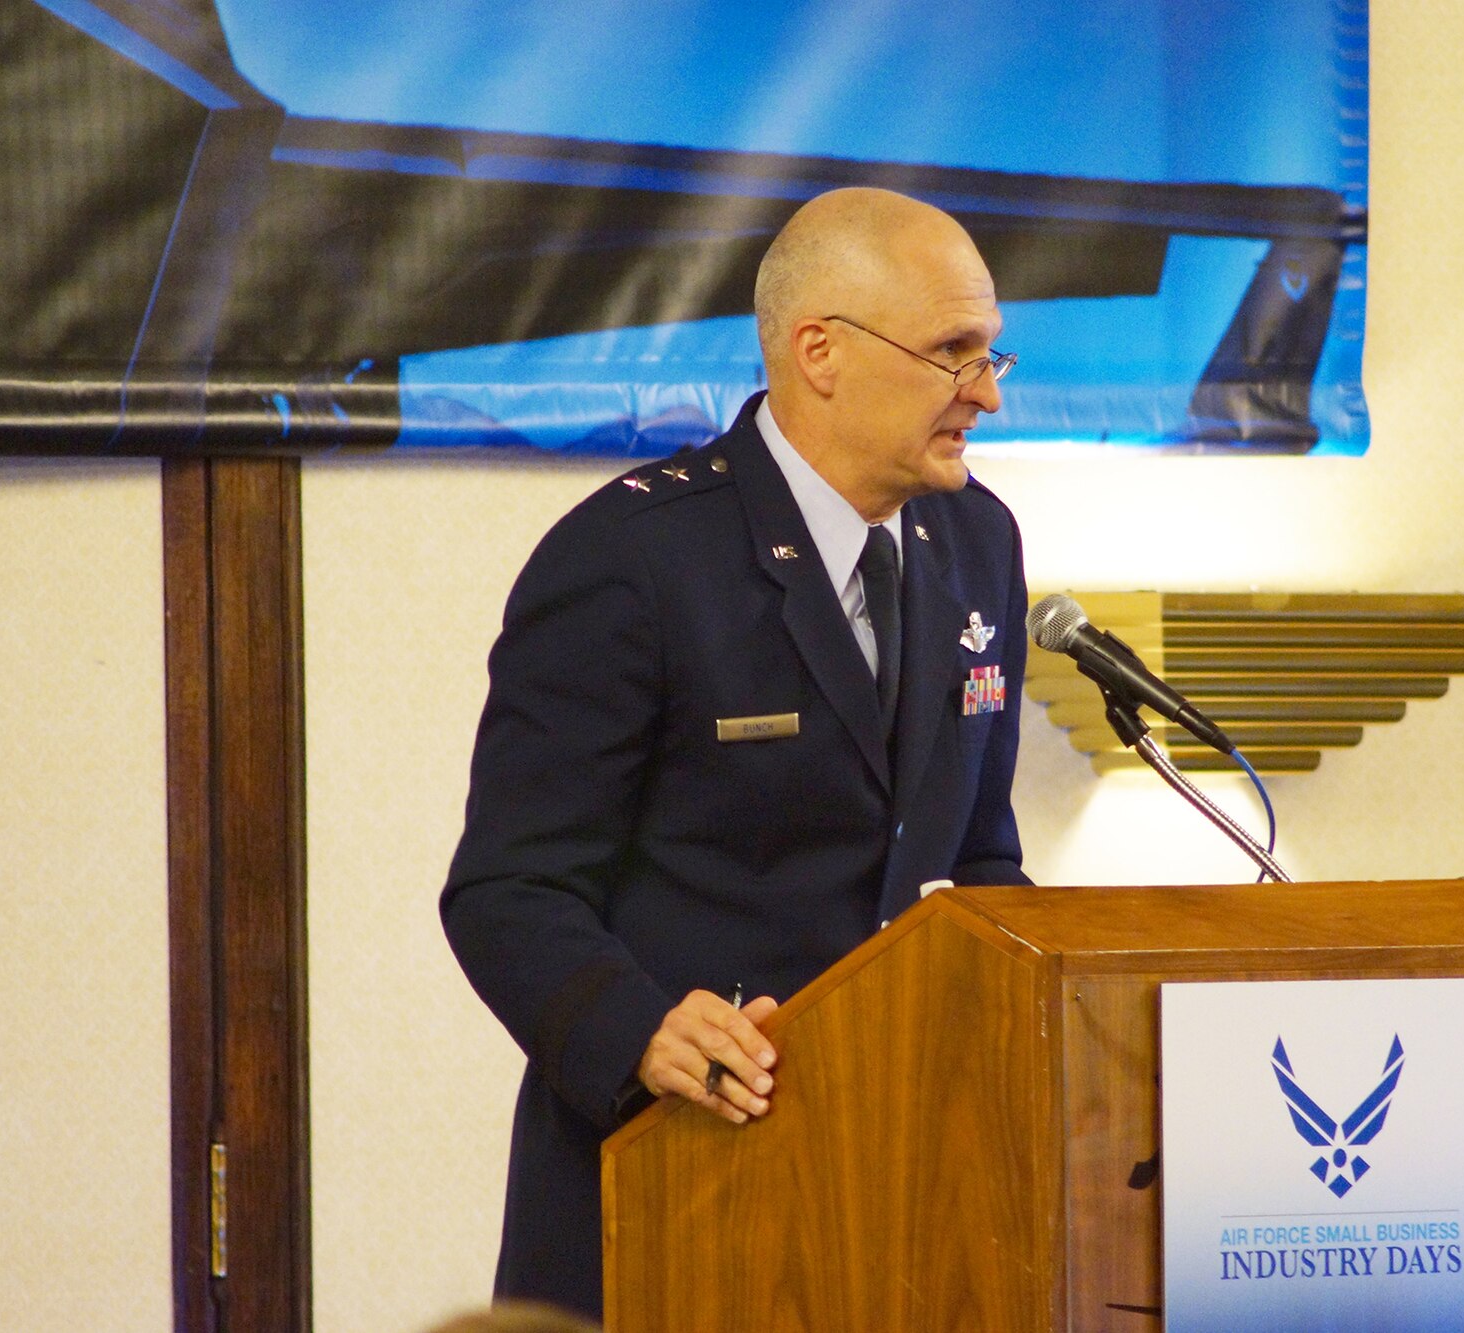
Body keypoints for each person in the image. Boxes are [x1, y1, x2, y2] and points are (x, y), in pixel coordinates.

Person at [440, 187, 1032, 1319]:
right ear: (820, 351)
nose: (987, 393)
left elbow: (978, 858)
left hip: (901, 1193)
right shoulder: (632, 560)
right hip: (674, 1170)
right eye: (953, 354)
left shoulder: (977, 541)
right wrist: (644, 1029)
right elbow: (508, 888)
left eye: (991, 352)